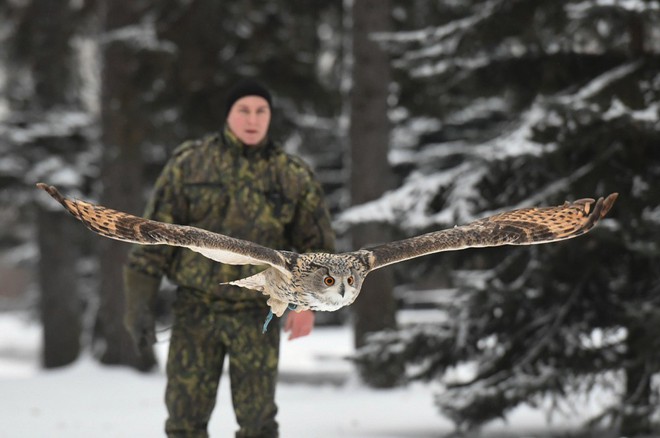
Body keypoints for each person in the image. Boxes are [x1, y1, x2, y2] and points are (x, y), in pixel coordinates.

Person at [122, 79, 336, 438]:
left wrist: (306, 306)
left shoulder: (292, 174)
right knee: (184, 422)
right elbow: (153, 237)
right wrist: (137, 302)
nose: (252, 119)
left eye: (261, 111)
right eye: (244, 110)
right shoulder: (190, 164)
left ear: (269, 116)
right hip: (196, 309)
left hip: (258, 313)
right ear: (228, 114)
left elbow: (317, 251)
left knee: (258, 424)